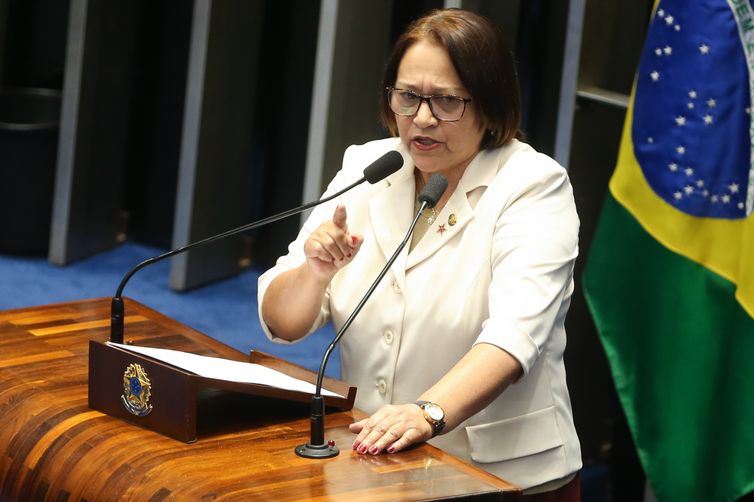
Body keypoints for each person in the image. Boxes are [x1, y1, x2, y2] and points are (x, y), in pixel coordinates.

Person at [257, 8, 582, 498]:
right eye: (408, 97)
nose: (423, 118)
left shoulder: (533, 187)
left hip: (498, 476)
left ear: (490, 105)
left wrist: (426, 413)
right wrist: (314, 273)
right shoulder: (369, 166)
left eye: (448, 101)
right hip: (375, 464)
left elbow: (515, 340)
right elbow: (284, 324)